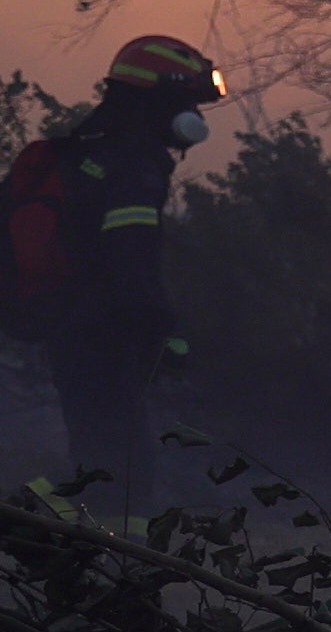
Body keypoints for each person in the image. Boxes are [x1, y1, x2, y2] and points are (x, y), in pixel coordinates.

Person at [26, 34, 226, 508]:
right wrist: (166, 332)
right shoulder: (132, 166)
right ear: (158, 100)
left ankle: (37, 529)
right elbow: (130, 264)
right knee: (123, 470)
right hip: (101, 333)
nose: (195, 120)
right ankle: (86, 551)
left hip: (71, 327)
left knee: (97, 455)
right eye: (188, 103)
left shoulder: (91, 148)